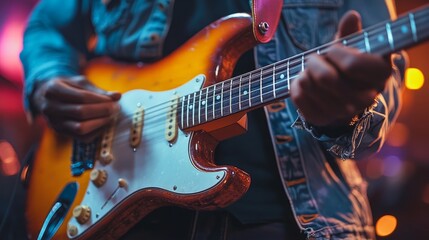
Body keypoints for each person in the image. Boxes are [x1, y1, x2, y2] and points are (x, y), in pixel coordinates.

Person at [20, 0, 406, 239]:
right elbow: (48, 25)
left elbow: (380, 69)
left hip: (288, 221)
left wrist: (345, 110)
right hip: (117, 208)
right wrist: (49, 78)